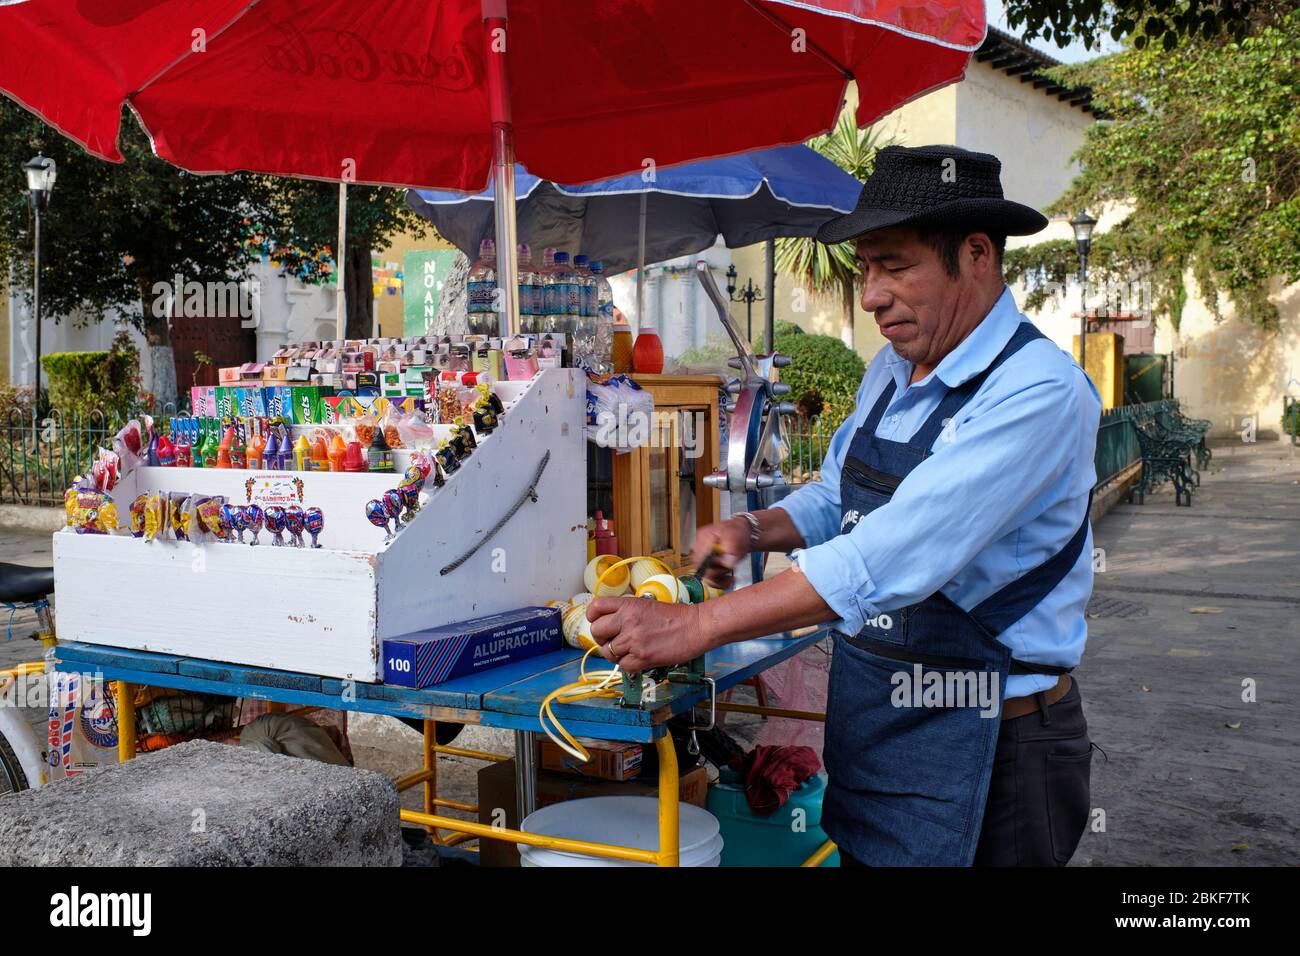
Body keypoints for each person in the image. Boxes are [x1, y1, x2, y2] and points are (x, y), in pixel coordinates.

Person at [586, 145, 1101, 867]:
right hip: (881, 732)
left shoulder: (1037, 393)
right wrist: (751, 527)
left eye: (895, 265)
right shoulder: (894, 369)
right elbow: (840, 493)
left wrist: (696, 625)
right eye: (865, 268)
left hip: (993, 750)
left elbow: (887, 556)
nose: (871, 296)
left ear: (977, 255)